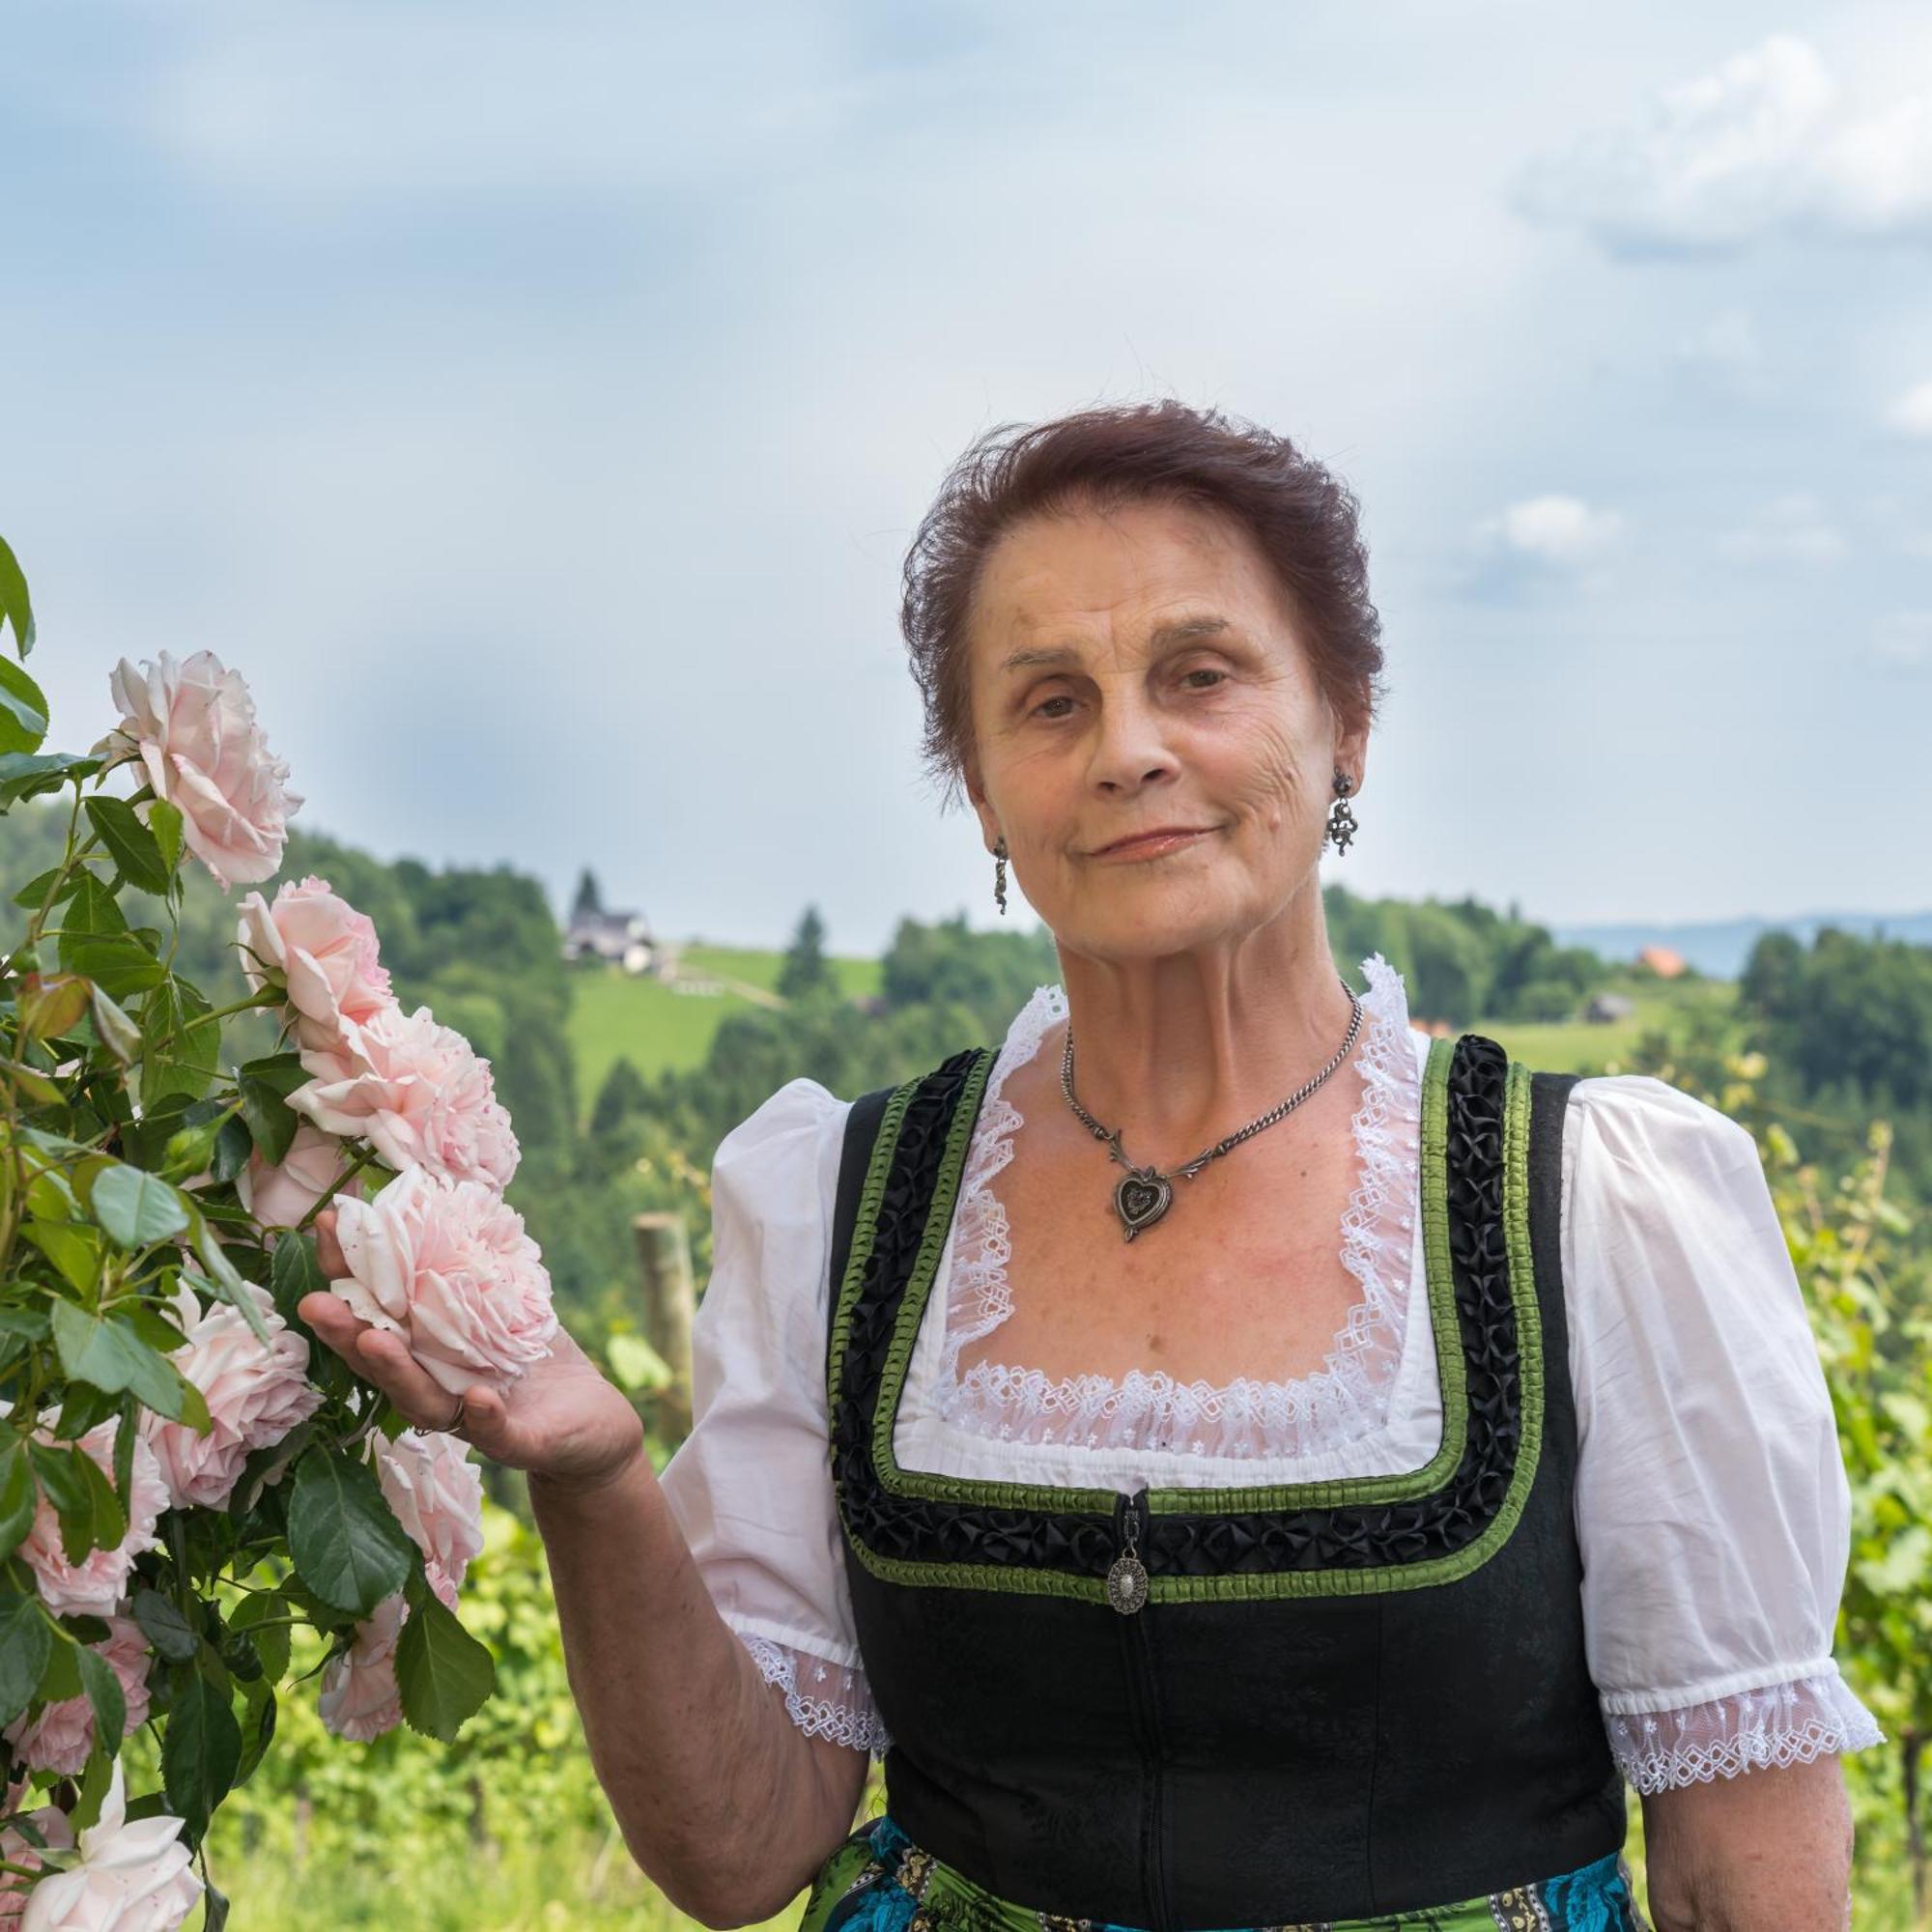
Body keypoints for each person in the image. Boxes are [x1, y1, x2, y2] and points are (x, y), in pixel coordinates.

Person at [300, 401, 1884, 1931]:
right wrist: (594, 1478)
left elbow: (1749, 1874)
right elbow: (738, 1852)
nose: (1128, 749)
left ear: (1346, 725)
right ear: (983, 792)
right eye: (1049, 701)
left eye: (1201, 675)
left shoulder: (1589, 1205)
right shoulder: (839, 1203)